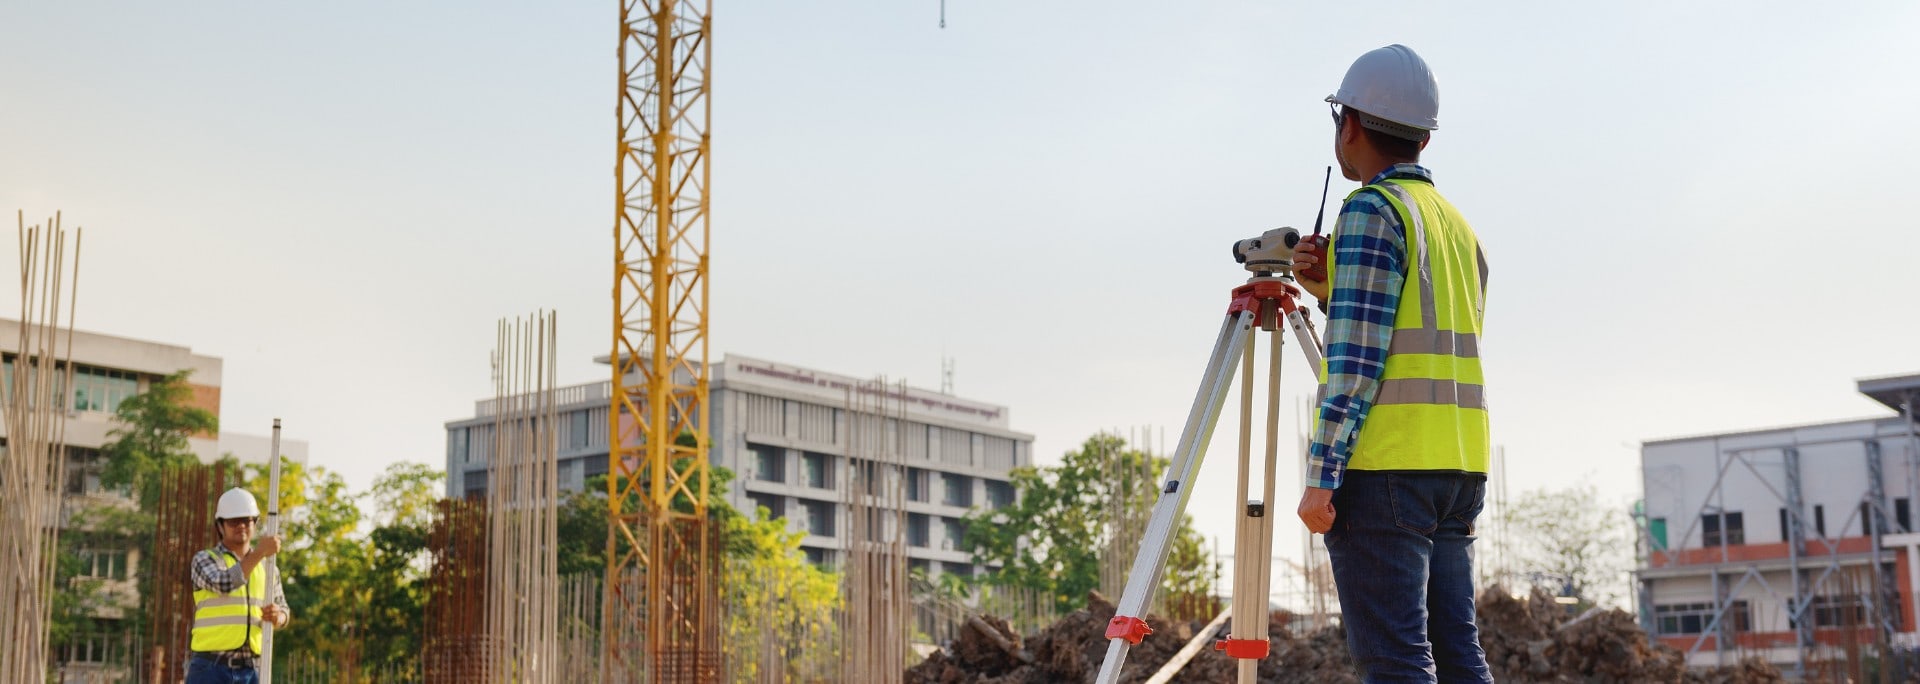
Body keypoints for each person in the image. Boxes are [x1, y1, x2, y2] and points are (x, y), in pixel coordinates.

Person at [1290, 44, 1493, 684]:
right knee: (1458, 657)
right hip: (1458, 467)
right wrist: (1333, 287)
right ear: (1423, 137)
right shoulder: (1454, 223)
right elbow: (1417, 326)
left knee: (1396, 664)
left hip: (1387, 470)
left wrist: (1322, 476)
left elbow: (1354, 359)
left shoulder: (1371, 211)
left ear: (1349, 123)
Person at [187, 487, 291, 684]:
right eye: (234, 521)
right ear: (220, 525)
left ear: (254, 523)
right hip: (210, 668)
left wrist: (279, 616)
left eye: (246, 520)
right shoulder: (204, 559)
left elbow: (284, 608)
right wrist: (259, 553)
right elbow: (223, 583)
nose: (241, 526)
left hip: (251, 670)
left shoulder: (269, 568)